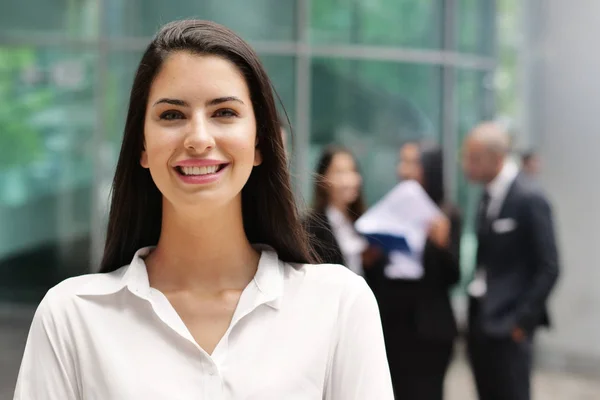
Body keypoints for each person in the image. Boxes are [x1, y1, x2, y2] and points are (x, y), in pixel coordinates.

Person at [14, 20, 393, 400]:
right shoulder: (72, 316)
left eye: (224, 112)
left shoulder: (337, 304)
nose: (198, 138)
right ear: (142, 147)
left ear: (259, 142)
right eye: (172, 115)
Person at [462, 122, 560, 400]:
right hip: (480, 319)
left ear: (497, 158)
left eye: (473, 158)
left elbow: (550, 267)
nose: (466, 165)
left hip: (509, 327)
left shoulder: (529, 197)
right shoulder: (486, 193)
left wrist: (521, 323)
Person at [371, 141, 461, 400]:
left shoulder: (446, 214)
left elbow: (453, 276)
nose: (404, 170)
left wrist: (441, 245)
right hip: (392, 325)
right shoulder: (389, 210)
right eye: (402, 161)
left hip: (430, 330)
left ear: (429, 168)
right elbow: (378, 274)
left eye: (413, 162)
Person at [304, 146, 383, 276]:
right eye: (340, 173)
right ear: (323, 179)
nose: (349, 180)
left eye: (353, 171)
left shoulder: (365, 223)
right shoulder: (311, 227)